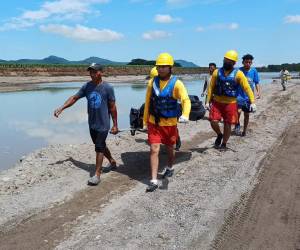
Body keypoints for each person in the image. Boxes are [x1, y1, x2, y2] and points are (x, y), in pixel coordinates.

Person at [54, 63, 119, 186]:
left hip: (103, 123)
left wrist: (115, 125)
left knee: (99, 146)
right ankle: (112, 161)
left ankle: (97, 175)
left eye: (94, 71)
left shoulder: (108, 88)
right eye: (90, 72)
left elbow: (113, 107)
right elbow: (74, 98)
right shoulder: (87, 86)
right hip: (92, 123)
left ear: (101, 72)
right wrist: (62, 107)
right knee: (100, 144)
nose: (91, 74)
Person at [143, 53, 191, 192]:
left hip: (170, 124)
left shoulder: (177, 83)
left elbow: (186, 100)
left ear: (170, 67)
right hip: (154, 123)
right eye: (159, 67)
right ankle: (153, 180)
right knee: (154, 149)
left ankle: (170, 167)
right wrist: (145, 120)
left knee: (170, 149)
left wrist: (185, 114)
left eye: (164, 67)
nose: (161, 69)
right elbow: (147, 102)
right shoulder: (152, 82)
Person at [205, 50, 256, 150]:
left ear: (234, 63)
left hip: (231, 103)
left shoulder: (239, 74)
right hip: (217, 102)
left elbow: (247, 88)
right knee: (213, 121)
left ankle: (224, 143)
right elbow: (210, 87)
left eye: (229, 61)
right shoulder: (216, 72)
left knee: (228, 124)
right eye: (225, 60)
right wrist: (207, 101)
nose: (227, 62)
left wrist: (253, 102)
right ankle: (219, 134)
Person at [235, 54, 261, 136]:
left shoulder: (254, 71)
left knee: (246, 114)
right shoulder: (238, 71)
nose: (248, 64)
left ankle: (244, 131)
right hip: (239, 96)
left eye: (250, 62)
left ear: (251, 63)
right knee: (238, 112)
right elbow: (234, 83)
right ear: (243, 62)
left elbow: (256, 83)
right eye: (246, 62)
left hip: (249, 97)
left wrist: (258, 92)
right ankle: (237, 124)